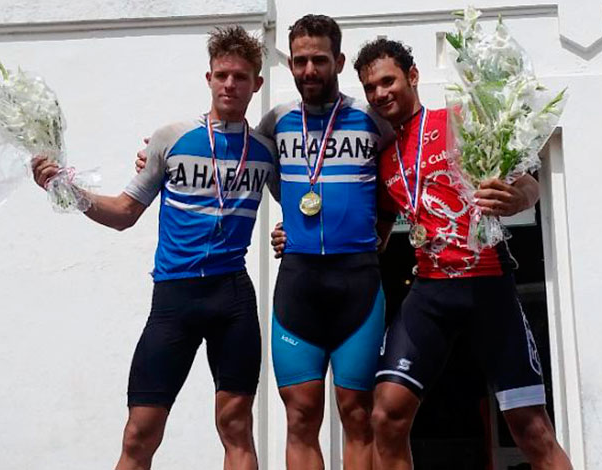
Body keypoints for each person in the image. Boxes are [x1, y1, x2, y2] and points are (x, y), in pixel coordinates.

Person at [32, 26, 276, 470]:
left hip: (233, 298)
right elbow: (125, 213)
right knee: (140, 432)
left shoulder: (264, 149)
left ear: (256, 84)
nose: (230, 84)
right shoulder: (171, 138)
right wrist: (64, 188)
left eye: (241, 77)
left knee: (237, 426)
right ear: (208, 78)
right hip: (174, 299)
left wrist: (291, 236)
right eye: (222, 74)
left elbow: (302, 200)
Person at [353, 39, 574, 470]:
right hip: (431, 293)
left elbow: (527, 181)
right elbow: (373, 233)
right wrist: (300, 232)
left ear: (412, 76)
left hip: (488, 287)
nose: (380, 94)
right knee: (386, 415)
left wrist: (514, 199)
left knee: (531, 428)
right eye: (370, 87)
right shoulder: (382, 158)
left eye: (388, 81)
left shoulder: (461, 120)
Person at [256, 15, 394, 469]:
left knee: (358, 415)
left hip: (357, 281)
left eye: (319, 60)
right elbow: (235, 154)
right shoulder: (275, 123)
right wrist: (151, 154)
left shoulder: (372, 120)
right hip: (299, 282)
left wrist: (386, 228)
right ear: (290, 64)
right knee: (299, 416)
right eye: (300, 61)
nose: (309, 70)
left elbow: (401, 178)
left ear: (338, 60)